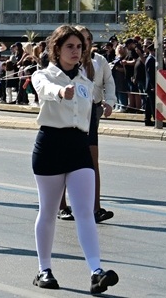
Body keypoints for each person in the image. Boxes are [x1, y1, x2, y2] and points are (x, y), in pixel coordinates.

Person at [30, 26, 120, 294]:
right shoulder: (43, 74)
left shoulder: (85, 82)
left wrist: (107, 103)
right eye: (70, 46)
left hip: (79, 147)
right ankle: (44, 269)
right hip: (51, 145)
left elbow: (94, 100)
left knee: (85, 212)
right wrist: (60, 93)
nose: (76, 51)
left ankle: (96, 271)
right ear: (56, 49)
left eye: (79, 47)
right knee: (48, 211)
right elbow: (44, 89)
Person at [57, 26, 116, 224]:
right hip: (69, 114)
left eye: (86, 40)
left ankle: (95, 208)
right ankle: (62, 206)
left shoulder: (99, 61)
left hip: (91, 112)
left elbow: (109, 82)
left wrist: (109, 102)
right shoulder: (67, 63)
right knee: (65, 160)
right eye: (76, 42)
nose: (82, 45)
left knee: (92, 161)